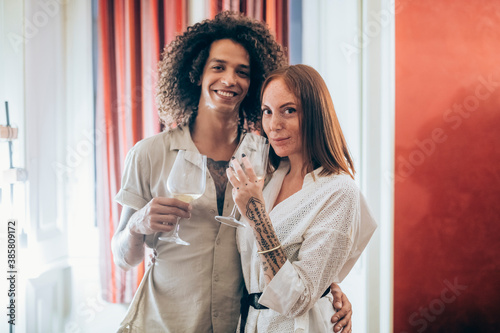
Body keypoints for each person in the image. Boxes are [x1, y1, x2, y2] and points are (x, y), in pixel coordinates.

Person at [112, 12, 353, 333]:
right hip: (162, 322)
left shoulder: (269, 157)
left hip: (235, 324)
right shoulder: (149, 154)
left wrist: (326, 290)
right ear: (196, 73)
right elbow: (122, 258)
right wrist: (137, 226)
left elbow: (292, 228)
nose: (230, 79)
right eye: (218, 67)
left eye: (242, 72)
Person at [227, 64, 377, 332]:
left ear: (316, 115)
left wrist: (258, 217)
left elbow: (298, 299)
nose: (274, 125)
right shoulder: (271, 179)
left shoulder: (338, 191)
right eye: (267, 111)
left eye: (289, 110)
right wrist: (329, 286)